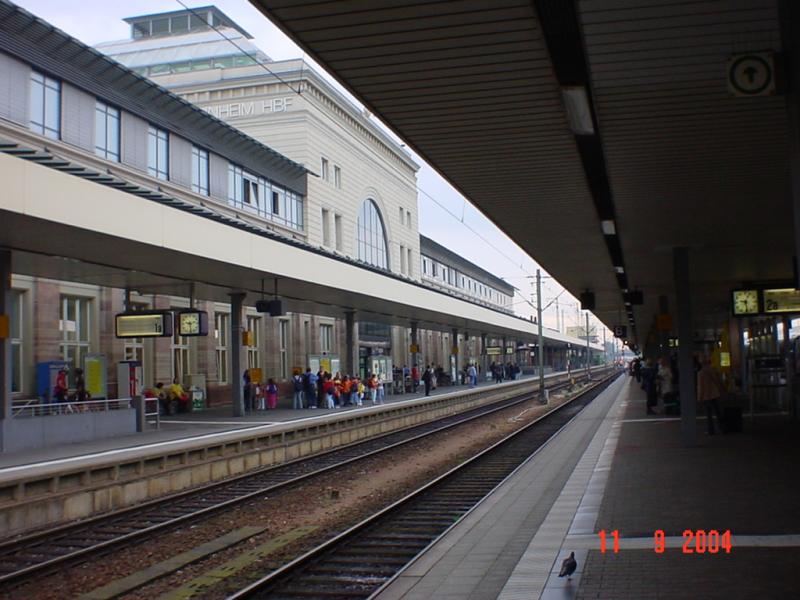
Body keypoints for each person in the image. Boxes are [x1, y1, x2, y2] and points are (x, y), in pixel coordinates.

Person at [697, 356, 725, 435]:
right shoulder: (714, 370)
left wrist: (699, 398)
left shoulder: (700, 373)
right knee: (718, 412)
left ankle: (711, 430)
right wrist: (723, 389)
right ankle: (722, 428)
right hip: (715, 394)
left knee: (709, 414)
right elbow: (719, 381)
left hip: (707, 395)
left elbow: (700, 387)